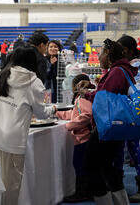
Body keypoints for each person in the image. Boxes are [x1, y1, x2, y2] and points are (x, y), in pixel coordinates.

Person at [0, 47, 56, 205]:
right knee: (11, 185)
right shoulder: (33, 82)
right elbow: (41, 113)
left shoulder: (3, 74)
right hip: (13, 137)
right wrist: (53, 109)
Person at [82, 39, 137, 204]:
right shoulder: (121, 70)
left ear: (108, 53)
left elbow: (104, 98)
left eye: (100, 53)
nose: (98, 57)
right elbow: (109, 92)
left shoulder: (117, 71)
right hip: (115, 126)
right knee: (107, 169)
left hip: (108, 127)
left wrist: (86, 93)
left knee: (90, 168)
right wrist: (93, 87)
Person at [117, 35, 140, 203]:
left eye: (121, 48)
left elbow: (135, 86)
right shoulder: (125, 65)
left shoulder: (138, 65)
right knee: (124, 149)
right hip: (124, 110)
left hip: (132, 111)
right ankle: (119, 185)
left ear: (129, 50)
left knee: (133, 148)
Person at [56, 74, 94, 203]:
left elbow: (86, 115)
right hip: (83, 137)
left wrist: (69, 126)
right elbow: (74, 114)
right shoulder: (82, 97)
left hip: (83, 137)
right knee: (81, 165)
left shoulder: (82, 98)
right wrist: (56, 113)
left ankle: (83, 192)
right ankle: (85, 191)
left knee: (80, 166)